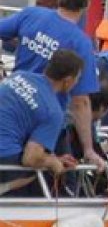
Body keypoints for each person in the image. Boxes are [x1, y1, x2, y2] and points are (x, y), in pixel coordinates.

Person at [0, 0, 106, 170]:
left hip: (14, 103)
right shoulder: (81, 44)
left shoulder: (31, 15)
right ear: (87, 3)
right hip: (47, 119)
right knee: (65, 180)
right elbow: (80, 102)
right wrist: (88, 149)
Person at [0, 50, 83, 196]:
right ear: (68, 80)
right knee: (35, 175)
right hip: (4, 158)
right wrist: (53, 163)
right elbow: (30, 158)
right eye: (77, 79)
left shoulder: (18, 76)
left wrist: (52, 157)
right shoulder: (53, 111)